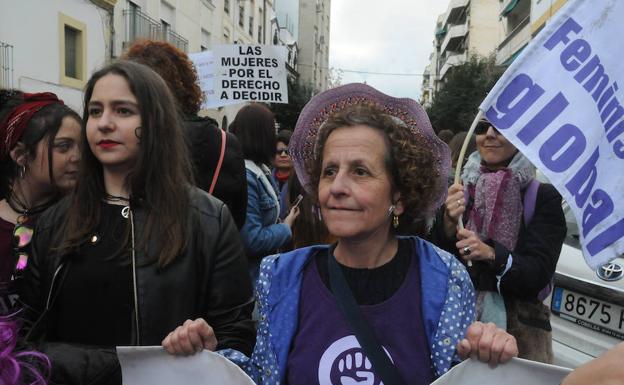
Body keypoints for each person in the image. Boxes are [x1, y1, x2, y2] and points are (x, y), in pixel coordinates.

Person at [167, 84, 519, 384]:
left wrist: (486, 359)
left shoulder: (442, 278)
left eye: (360, 172)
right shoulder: (283, 277)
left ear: (398, 196)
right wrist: (211, 356)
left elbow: (458, 374)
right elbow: (261, 375)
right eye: (329, 170)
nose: (336, 187)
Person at [18, 60, 255, 384]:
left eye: (123, 111)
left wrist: (208, 341)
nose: (104, 123)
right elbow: (26, 330)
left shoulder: (208, 219)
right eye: (96, 111)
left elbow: (236, 336)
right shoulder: (53, 221)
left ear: (156, 123)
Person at [430, 118, 566, 363]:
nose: (490, 135)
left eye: (501, 129)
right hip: (458, 329)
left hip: (519, 340)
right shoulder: (460, 189)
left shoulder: (542, 197)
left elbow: (538, 273)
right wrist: (448, 224)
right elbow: (436, 262)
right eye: (482, 128)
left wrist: (491, 253)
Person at [122, 39, 247, 229]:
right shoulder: (224, 143)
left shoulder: (129, 137)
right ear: (186, 83)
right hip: (207, 248)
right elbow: (237, 218)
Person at [0, 90, 80, 314]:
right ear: (20, 155)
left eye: (82, 147)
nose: (78, 157)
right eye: (64, 146)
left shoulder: (81, 222)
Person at [230, 103, 299, 279]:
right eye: (271, 129)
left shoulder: (260, 169)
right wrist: (286, 227)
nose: (274, 136)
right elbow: (252, 240)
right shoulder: (247, 176)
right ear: (261, 134)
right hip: (251, 279)